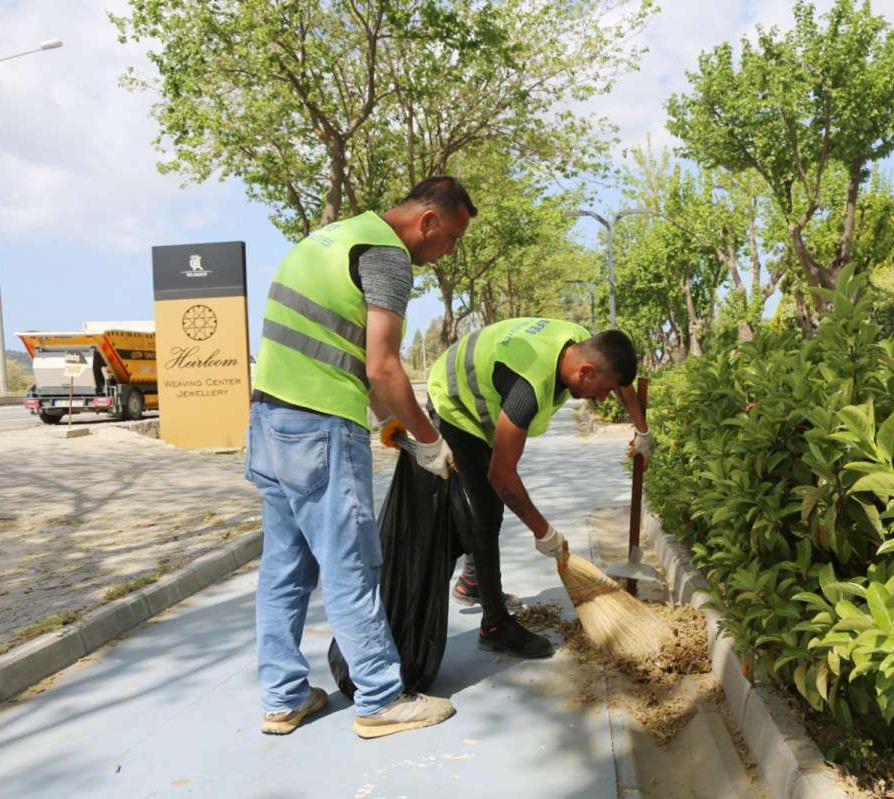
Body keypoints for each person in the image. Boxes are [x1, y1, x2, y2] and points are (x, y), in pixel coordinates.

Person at [245, 176, 476, 739]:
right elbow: (383, 366)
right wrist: (428, 439)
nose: (446, 255)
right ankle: (380, 697)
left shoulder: (328, 239)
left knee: (285, 567)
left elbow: (343, 353)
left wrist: (393, 425)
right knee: (351, 562)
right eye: (450, 239)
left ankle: (283, 697)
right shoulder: (388, 257)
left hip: (269, 423)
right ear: (427, 221)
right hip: (321, 427)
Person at [423, 317, 654, 658]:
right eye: (602, 390)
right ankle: (494, 625)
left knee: (485, 506)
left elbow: (620, 380)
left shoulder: (581, 344)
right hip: (455, 401)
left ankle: (473, 581)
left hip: (485, 389)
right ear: (586, 372)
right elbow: (502, 476)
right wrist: (543, 531)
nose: (604, 399)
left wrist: (643, 430)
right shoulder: (528, 387)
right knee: (488, 508)